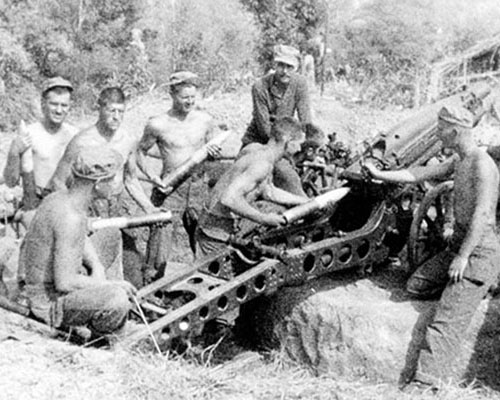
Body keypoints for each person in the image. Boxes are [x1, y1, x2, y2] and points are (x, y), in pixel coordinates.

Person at [363, 104, 500, 388]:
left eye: (440, 129)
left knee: (445, 321)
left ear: (455, 131)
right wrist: (379, 173)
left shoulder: (482, 165)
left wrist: (462, 257)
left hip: (478, 252)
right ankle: (475, 288)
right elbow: (417, 175)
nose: (437, 133)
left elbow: (483, 215)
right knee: (416, 286)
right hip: (459, 246)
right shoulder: (458, 161)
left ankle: (426, 384)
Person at [19, 146, 136, 338]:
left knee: (110, 233)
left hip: (50, 285)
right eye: (112, 179)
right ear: (98, 184)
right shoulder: (70, 217)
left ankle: (110, 310)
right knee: (117, 299)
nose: (116, 184)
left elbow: (78, 236)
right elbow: (65, 282)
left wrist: (96, 266)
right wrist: (108, 285)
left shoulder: (61, 198)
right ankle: (103, 336)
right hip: (48, 302)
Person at [48, 87, 154, 286]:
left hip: (117, 207)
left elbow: (131, 180)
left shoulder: (128, 140)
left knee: (132, 270)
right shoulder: (81, 141)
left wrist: (150, 208)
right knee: (94, 268)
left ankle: (139, 309)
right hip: (90, 208)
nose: (116, 117)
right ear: (100, 109)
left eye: (120, 112)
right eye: (111, 110)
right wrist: (75, 215)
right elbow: (58, 181)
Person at [136, 71, 222, 281]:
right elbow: (139, 152)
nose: (189, 101)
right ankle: (151, 288)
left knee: (205, 236)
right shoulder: (157, 124)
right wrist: (152, 177)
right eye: (184, 97)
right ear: (172, 95)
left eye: (193, 97)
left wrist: (213, 155)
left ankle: (209, 283)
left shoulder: (205, 120)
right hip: (170, 188)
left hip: (198, 186)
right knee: (160, 236)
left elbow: (214, 156)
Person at [196, 117, 309, 257]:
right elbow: (229, 199)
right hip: (214, 232)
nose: (299, 149)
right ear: (287, 140)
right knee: (212, 277)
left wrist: (306, 202)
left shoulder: (256, 150)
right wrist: (264, 218)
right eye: (298, 144)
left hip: (216, 226)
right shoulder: (262, 165)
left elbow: (269, 191)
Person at [241, 44, 312, 196]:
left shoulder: (300, 84)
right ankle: (304, 204)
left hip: (285, 139)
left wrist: (309, 145)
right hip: (259, 140)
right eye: (280, 65)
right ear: (274, 64)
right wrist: (286, 151)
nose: (284, 71)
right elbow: (264, 127)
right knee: (285, 174)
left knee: (304, 169)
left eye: (289, 66)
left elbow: (305, 120)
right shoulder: (260, 86)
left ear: (297, 68)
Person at [3, 76, 78, 210]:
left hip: (67, 200)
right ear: (43, 103)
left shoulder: (75, 135)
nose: (59, 110)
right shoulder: (30, 134)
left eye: (64, 105)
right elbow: (10, 181)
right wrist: (13, 152)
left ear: (69, 106)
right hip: (36, 200)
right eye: (54, 104)